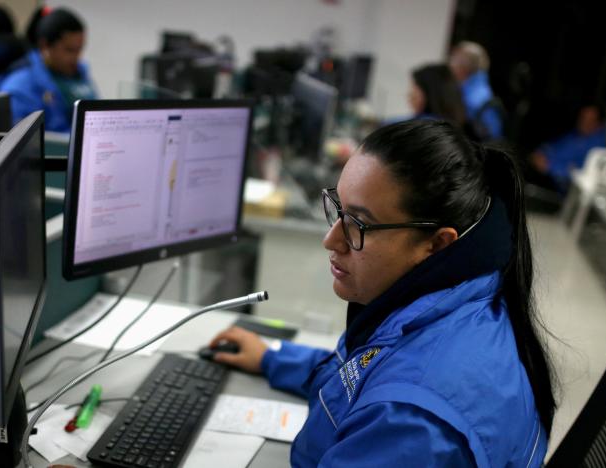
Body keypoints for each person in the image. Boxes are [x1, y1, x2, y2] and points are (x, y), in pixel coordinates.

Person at [209, 119, 555, 466]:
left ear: (436, 243)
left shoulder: (412, 425)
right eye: (338, 209)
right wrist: (273, 359)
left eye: (359, 224)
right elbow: (361, 377)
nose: (330, 240)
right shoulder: (464, 297)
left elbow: (396, 394)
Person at [0, 8, 98, 132]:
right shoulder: (20, 87)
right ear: (45, 46)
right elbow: (27, 143)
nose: (76, 57)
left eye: (79, 49)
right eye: (69, 50)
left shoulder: (79, 73)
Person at [529, 105, 606, 192]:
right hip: (547, 180)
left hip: (564, 192)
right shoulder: (575, 135)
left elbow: (581, 173)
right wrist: (540, 153)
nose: (585, 122)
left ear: (598, 124)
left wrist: (549, 165)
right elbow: (553, 146)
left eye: (590, 120)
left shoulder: (598, 146)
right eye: (583, 118)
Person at [449, 41, 504, 141]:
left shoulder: (472, 99)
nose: (450, 65)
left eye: (453, 60)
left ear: (463, 67)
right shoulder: (477, 92)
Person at [409, 63, 468, 128]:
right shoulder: (461, 121)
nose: (410, 96)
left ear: (430, 94)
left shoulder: (425, 126)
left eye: (414, 90)